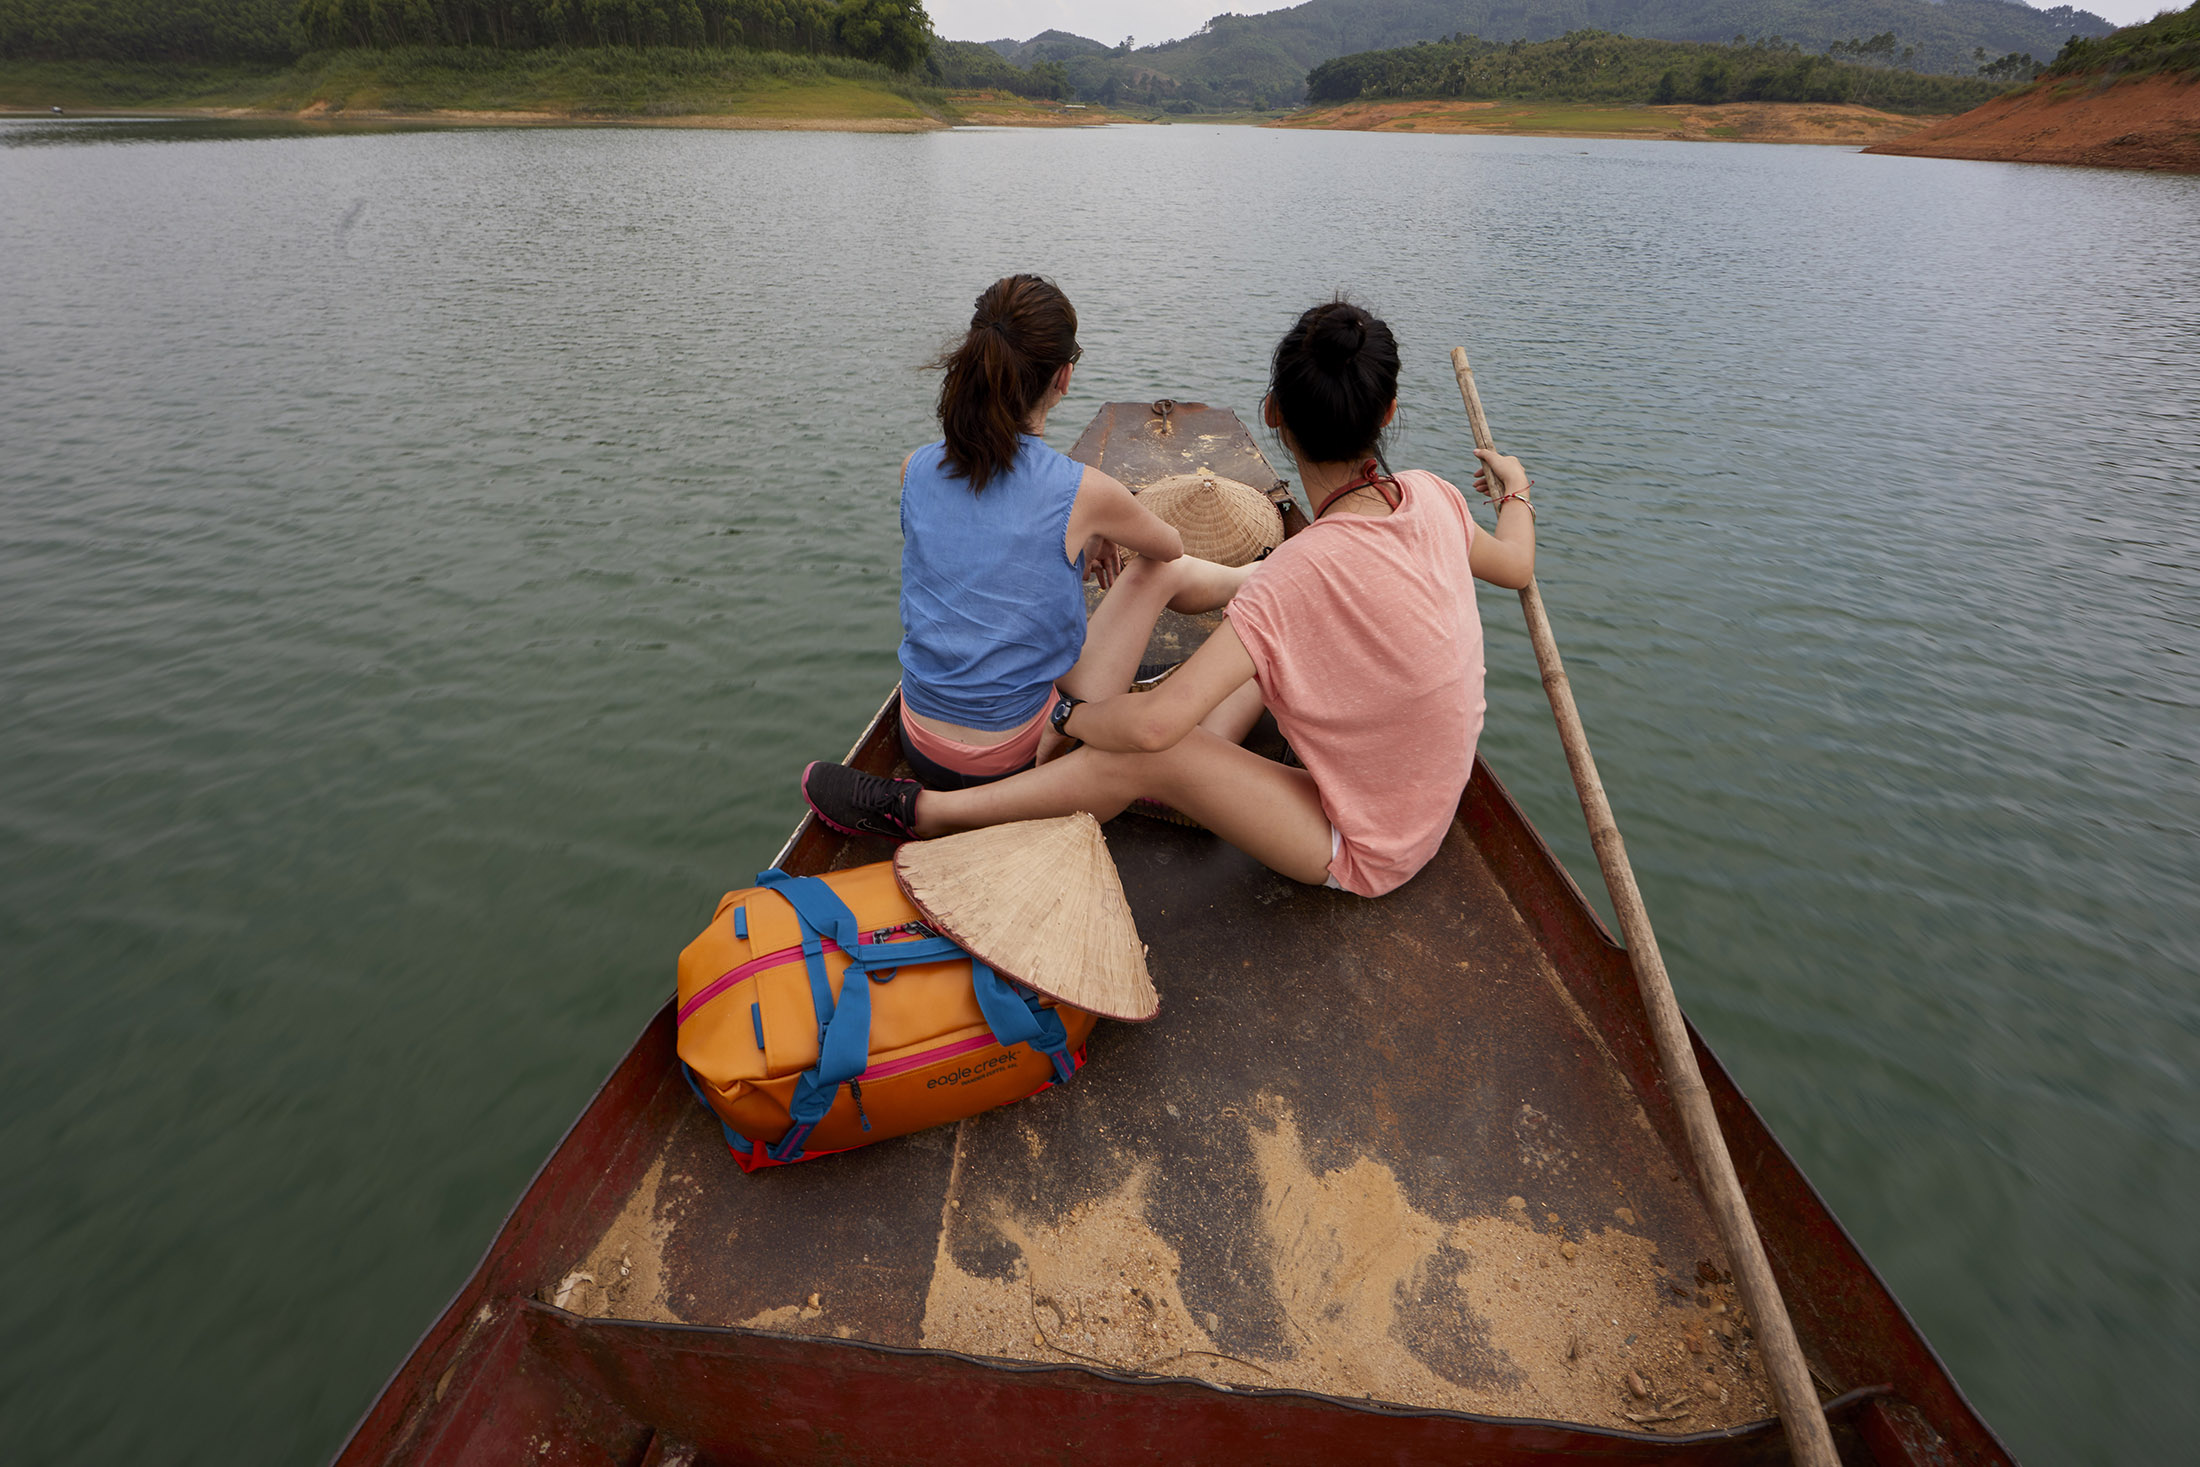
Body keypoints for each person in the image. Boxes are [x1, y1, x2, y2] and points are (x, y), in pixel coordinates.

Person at [805, 298, 1536, 898]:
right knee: (1240, 662)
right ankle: (1192, 685)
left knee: (1147, 751)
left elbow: (1154, 729)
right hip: (1422, 807)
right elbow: (1514, 563)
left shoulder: (1299, 573)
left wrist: (1077, 717)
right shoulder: (1437, 497)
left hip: (1368, 847)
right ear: (1390, 412)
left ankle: (930, 814)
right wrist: (1516, 487)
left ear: (1273, 413)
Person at [891, 273, 1250, 790]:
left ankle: (1258, 577)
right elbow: (1168, 547)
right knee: (1157, 570)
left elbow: (981, 545)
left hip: (919, 742)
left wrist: (1089, 535)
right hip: (1011, 755)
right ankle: (1258, 577)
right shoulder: (1082, 490)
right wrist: (1103, 527)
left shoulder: (915, 469)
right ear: (1063, 377)